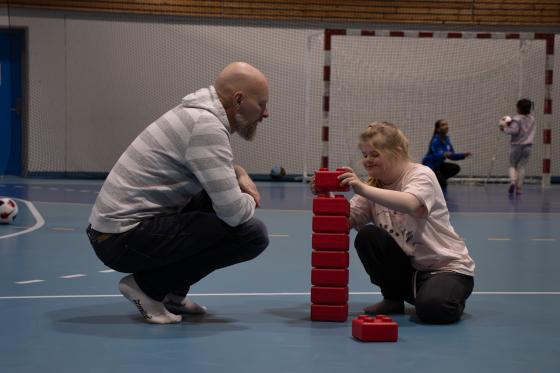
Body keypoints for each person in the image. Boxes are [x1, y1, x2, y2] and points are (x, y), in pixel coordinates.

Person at [86, 62, 270, 324]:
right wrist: (251, 197)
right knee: (251, 235)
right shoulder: (206, 126)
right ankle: (147, 287)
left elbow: (208, 166)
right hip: (120, 239)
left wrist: (238, 172)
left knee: (212, 199)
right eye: (261, 104)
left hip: (112, 233)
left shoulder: (199, 114)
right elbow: (234, 214)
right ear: (238, 100)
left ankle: (172, 293)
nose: (266, 113)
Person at [313, 122, 475, 324]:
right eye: (364, 155)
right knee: (368, 236)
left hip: (447, 268)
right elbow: (343, 224)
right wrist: (325, 196)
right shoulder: (373, 186)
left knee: (433, 310)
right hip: (411, 270)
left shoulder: (421, 174)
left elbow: (410, 203)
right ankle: (393, 298)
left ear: (396, 152)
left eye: (374, 154)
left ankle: (449, 296)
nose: (367, 161)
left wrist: (361, 188)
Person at [422, 119, 471, 196]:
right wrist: (443, 154)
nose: (446, 126)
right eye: (443, 125)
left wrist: (463, 155)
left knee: (455, 168)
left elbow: (452, 155)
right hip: (431, 166)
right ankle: (436, 184)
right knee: (443, 183)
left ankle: (437, 180)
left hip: (439, 165)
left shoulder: (447, 140)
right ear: (438, 129)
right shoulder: (435, 141)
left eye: (447, 124)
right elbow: (435, 155)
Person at [499, 98, 536, 195]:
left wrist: (504, 128)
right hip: (528, 146)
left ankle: (512, 182)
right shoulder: (532, 118)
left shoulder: (516, 119)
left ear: (519, 108)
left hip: (516, 146)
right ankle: (519, 188)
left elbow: (514, 131)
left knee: (512, 165)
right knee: (522, 167)